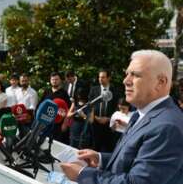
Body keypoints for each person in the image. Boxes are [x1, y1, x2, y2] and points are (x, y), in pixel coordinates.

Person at [61, 50, 183, 184]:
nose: (126, 81)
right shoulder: (142, 113)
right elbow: (132, 160)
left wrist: (82, 174)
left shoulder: (166, 127)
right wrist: (101, 158)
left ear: (161, 82)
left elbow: (137, 182)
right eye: (127, 74)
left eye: (135, 75)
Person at [88, 69, 119, 152]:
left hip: (109, 125)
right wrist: (95, 117)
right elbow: (90, 105)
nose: (100, 79)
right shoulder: (94, 89)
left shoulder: (115, 90)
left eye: (103, 77)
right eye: (99, 77)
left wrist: (108, 119)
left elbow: (117, 108)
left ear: (109, 78)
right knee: (95, 148)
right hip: (95, 124)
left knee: (108, 148)